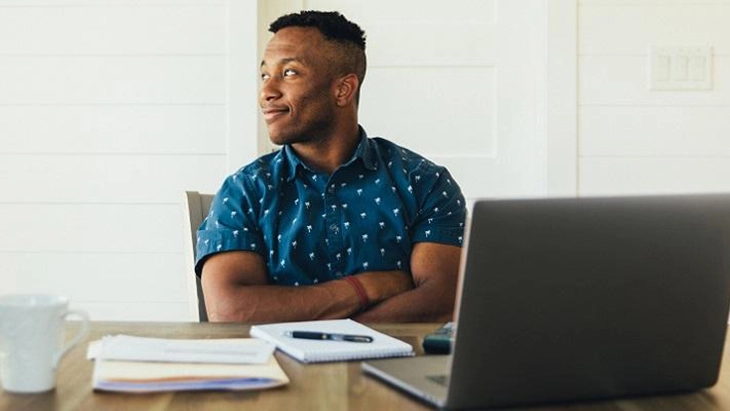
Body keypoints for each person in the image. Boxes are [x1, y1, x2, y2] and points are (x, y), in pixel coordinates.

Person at [195, 10, 466, 323]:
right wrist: (366, 288)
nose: (266, 93)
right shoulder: (244, 190)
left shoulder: (424, 182)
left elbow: (446, 301)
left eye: (290, 73)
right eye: (265, 75)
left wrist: (334, 335)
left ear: (343, 90)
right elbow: (231, 311)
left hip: (390, 371)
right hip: (279, 372)